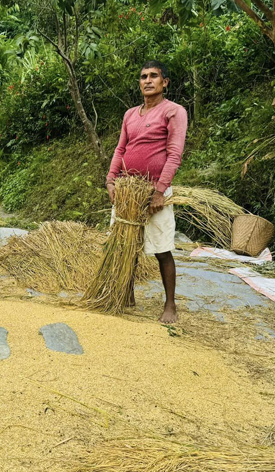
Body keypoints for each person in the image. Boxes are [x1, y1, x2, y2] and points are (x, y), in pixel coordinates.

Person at [106, 60, 188, 324]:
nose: (148, 80)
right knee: (124, 243)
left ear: (165, 83)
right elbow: (120, 149)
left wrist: (160, 191)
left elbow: (174, 154)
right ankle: (124, 294)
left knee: (161, 248)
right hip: (127, 189)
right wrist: (111, 181)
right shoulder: (130, 114)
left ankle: (170, 305)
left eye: (154, 76)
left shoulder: (173, 111)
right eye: (143, 76)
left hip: (154, 190)